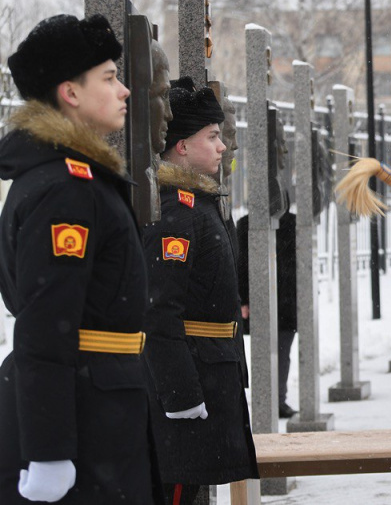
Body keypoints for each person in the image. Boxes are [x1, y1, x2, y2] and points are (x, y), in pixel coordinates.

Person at [0, 14, 157, 503]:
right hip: (84, 417)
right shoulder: (65, 188)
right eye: (109, 78)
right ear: (70, 93)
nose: (125, 90)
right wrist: (48, 449)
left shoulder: (72, 179)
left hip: (99, 408)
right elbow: (46, 324)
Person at [142, 77, 258, 504]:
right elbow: (158, 312)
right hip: (192, 379)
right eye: (211, 136)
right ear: (182, 147)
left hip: (210, 371)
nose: (223, 145)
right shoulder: (176, 211)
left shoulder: (201, 202)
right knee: (176, 489)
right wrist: (181, 395)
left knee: (190, 489)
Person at [237, 199, 299, 419]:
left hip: (283, 299)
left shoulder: (292, 223)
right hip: (265, 299)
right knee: (268, 352)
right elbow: (241, 263)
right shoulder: (246, 225)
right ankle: (269, 400)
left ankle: (276, 399)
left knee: (280, 352)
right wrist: (244, 299)